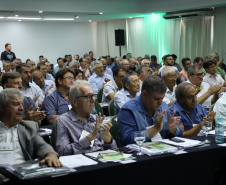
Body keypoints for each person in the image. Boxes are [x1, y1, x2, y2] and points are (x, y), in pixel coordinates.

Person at [52, 80, 117, 156]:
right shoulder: (62, 122)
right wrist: (89, 138)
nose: (93, 100)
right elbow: (62, 152)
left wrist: (108, 141)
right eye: (88, 96)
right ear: (74, 101)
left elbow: (114, 150)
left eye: (93, 96)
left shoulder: (97, 120)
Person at [0, 88, 62, 166]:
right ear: (1, 108)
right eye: (16, 104)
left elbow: (42, 145)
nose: (21, 108)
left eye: (22, 104)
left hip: (22, 172)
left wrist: (50, 154)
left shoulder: (28, 127)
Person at [118, 76, 182, 146]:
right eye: (156, 99)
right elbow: (127, 140)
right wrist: (156, 128)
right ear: (144, 94)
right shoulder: (128, 110)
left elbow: (179, 134)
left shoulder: (163, 106)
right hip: (140, 153)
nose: (160, 103)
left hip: (163, 150)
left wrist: (172, 129)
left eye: (162, 98)